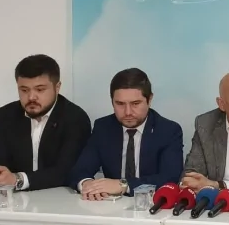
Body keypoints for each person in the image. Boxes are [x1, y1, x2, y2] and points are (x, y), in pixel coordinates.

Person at [68, 68, 183, 199]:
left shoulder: (168, 130)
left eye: (135, 103)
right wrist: (87, 184)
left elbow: (170, 178)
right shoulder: (103, 127)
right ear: (112, 101)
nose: (128, 112)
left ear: (149, 99)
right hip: (110, 204)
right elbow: (80, 170)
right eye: (120, 104)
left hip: (151, 204)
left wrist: (124, 185)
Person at [0, 54, 91, 191]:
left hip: (59, 197)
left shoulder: (75, 118)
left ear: (57, 87)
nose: (31, 97)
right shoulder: (7, 115)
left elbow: (66, 171)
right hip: (15, 199)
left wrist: (19, 180)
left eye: (40, 90)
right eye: (24, 90)